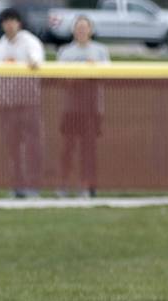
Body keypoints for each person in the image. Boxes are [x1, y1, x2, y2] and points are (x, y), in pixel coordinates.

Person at [0, 8, 46, 199]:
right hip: (7, 105)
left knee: (33, 146)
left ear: (19, 23)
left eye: (13, 20)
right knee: (12, 147)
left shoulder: (29, 42)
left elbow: (37, 59)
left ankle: (33, 186)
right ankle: (17, 187)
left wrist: (34, 61)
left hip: (28, 104)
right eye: (6, 21)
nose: (9, 24)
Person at [56, 16, 110, 199]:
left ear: (91, 30)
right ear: (73, 30)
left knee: (89, 150)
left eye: (85, 28)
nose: (81, 31)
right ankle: (64, 185)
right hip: (71, 108)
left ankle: (87, 186)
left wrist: (90, 72)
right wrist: (81, 75)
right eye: (78, 28)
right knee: (67, 148)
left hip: (92, 108)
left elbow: (106, 76)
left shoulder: (100, 51)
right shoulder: (65, 52)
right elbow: (61, 79)